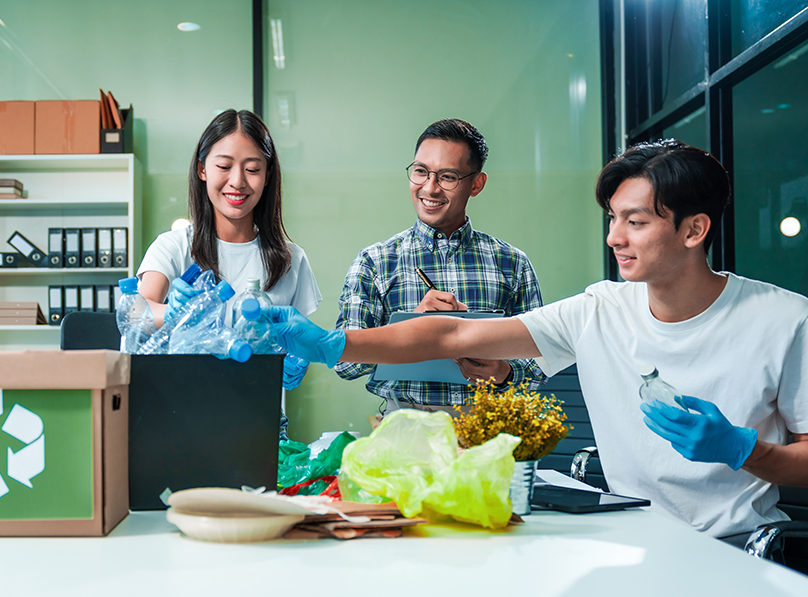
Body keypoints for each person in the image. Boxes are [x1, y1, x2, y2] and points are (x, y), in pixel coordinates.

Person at [266, 140, 808, 541]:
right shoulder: (598, 310)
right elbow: (452, 332)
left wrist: (746, 451)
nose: (614, 237)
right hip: (634, 537)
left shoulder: (784, 320)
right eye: (613, 219)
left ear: (694, 230)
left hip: (737, 546)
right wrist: (332, 344)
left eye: (636, 222)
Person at [334, 118, 544, 415]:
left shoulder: (512, 263)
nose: (430, 188)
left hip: (486, 427)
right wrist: (407, 329)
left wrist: (502, 371)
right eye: (421, 171)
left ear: (476, 184)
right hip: (402, 426)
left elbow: (540, 365)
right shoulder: (375, 262)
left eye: (447, 177)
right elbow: (345, 364)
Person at [137, 109, 322, 392]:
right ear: (202, 169)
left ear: (268, 174)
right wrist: (172, 312)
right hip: (181, 405)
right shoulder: (173, 246)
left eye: (252, 169)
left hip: (259, 409)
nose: (237, 181)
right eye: (224, 166)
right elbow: (136, 313)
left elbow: (298, 341)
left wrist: (299, 358)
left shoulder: (290, 259)